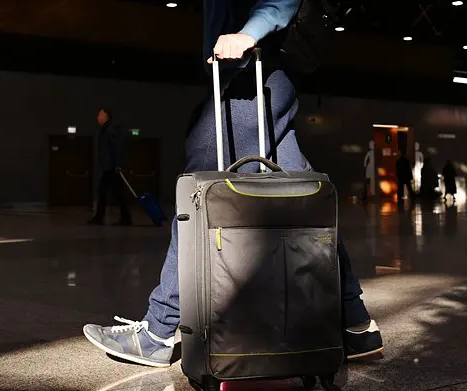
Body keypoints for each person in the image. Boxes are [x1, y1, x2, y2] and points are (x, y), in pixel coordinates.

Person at [83, 0, 383, 368]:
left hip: (248, 80)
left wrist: (249, 33)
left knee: (196, 195)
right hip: (268, 80)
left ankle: (158, 331)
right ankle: (355, 324)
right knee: (306, 204)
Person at [88, 108, 132, 226]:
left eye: (100, 115)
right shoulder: (105, 130)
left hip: (112, 168)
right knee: (105, 192)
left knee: (115, 193)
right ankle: (101, 217)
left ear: (106, 117)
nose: (98, 117)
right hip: (109, 167)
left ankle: (124, 218)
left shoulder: (110, 130)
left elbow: (115, 148)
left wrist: (117, 164)